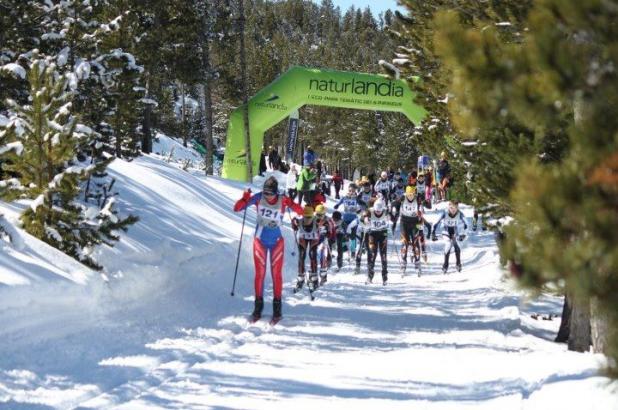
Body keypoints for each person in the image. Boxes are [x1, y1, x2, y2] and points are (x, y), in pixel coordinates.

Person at [233, 176, 304, 321]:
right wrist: (246, 197)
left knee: (276, 274)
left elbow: (300, 211)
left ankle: (277, 310)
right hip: (260, 240)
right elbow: (237, 208)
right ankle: (257, 308)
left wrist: (290, 200)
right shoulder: (259, 197)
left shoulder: (282, 200)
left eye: (270, 194)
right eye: (265, 193)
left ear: (276, 192)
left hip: (277, 241)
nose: (267, 196)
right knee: (260, 274)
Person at [432, 200, 468, 273]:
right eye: (451, 208)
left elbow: (466, 224)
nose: (453, 210)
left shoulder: (460, 214)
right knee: (448, 244)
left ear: (457, 208)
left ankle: (458, 264)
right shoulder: (444, 213)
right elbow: (435, 222)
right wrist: (433, 233)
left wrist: (464, 234)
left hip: (455, 230)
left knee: (456, 244)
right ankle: (445, 265)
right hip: (445, 230)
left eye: (455, 208)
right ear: (448, 207)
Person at [292, 205, 320, 294]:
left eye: (309, 217)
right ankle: (300, 279)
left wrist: (326, 230)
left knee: (312, 255)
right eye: (305, 217)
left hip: (313, 239)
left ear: (313, 216)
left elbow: (326, 224)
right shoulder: (299, 221)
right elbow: (294, 227)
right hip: (303, 239)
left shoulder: (317, 221)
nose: (307, 219)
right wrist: (293, 223)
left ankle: (314, 278)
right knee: (302, 256)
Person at [334, 183, 363, 262]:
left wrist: (362, 208)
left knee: (352, 237)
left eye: (353, 191)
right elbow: (339, 202)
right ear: (348, 190)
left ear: (355, 191)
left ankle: (353, 252)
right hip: (345, 219)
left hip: (353, 220)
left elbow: (361, 204)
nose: (351, 192)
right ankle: (345, 251)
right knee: (344, 235)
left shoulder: (356, 198)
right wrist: (337, 205)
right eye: (350, 190)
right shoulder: (345, 198)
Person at [364, 198, 391, 285]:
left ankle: (384, 277)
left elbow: (393, 218)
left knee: (383, 256)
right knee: (372, 255)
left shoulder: (385, 211)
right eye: (377, 211)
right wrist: (366, 220)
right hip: (372, 234)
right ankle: (370, 276)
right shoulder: (370, 211)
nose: (378, 212)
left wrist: (390, 218)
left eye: (380, 211)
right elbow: (363, 217)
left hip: (383, 234)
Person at [399, 186, 424, 272]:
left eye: (412, 194)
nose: (410, 196)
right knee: (404, 242)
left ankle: (417, 261)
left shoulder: (417, 199)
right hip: (404, 222)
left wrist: (421, 228)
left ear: (414, 194)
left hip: (414, 222)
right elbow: (395, 204)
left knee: (416, 242)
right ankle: (403, 262)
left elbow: (422, 211)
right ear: (406, 194)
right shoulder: (402, 198)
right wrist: (393, 212)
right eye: (409, 194)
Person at [315, 204, 335, 285]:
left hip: (324, 239)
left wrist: (331, 237)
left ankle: (323, 276)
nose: (319, 216)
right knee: (313, 256)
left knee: (322, 255)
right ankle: (313, 275)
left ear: (324, 214)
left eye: (320, 215)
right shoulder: (314, 219)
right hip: (315, 239)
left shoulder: (328, 220)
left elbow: (332, 230)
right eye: (317, 214)